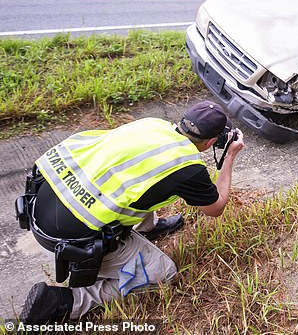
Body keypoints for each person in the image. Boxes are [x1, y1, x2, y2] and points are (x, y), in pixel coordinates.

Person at [17, 101, 244, 323]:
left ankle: (148, 228)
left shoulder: (151, 124)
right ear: (212, 142)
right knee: (163, 272)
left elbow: (137, 174)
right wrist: (230, 157)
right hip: (73, 243)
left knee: (142, 182)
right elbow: (216, 208)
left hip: (38, 206)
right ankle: (65, 301)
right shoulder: (188, 167)